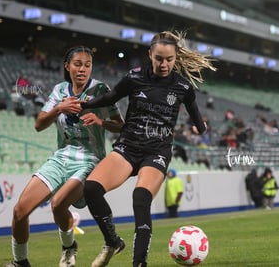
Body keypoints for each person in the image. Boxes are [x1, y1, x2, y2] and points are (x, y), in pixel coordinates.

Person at [80, 30, 216, 267]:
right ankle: (112, 241)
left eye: (169, 59)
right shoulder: (134, 78)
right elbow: (110, 98)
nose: (164, 64)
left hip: (157, 152)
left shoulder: (183, 87)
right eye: (159, 59)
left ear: (175, 58)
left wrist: (201, 129)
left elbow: (197, 119)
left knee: (140, 198)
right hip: (127, 147)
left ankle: (139, 264)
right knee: (91, 189)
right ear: (150, 55)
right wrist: (84, 104)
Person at [6, 46, 124, 267]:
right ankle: (21, 262)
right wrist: (59, 108)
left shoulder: (100, 89)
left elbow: (120, 126)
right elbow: (39, 125)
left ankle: (69, 249)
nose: (82, 69)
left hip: (90, 160)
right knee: (19, 211)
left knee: (58, 204)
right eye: (77, 64)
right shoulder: (60, 90)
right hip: (61, 157)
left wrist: (101, 122)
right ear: (67, 66)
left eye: (87, 65)